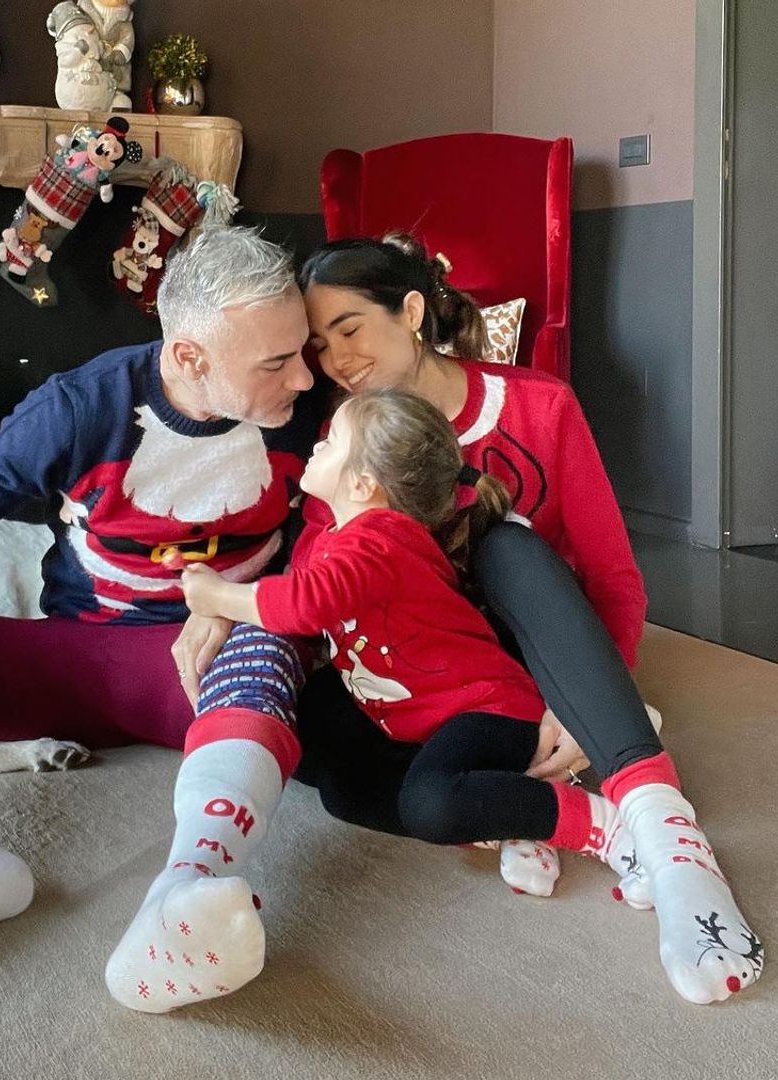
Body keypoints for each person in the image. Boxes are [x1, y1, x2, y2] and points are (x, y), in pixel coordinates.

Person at [0, 227, 324, 1015]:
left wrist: (244, 603)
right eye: (276, 362)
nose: (306, 376)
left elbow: (345, 540)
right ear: (189, 357)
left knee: (279, 630)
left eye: (302, 349)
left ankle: (187, 886)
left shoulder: (311, 413)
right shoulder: (81, 407)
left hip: (211, 675)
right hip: (69, 658)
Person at [274, 234, 761, 1005]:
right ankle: (513, 805)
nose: (335, 359)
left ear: (409, 311)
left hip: (532, 659)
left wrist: (591, 702)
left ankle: (665, 831)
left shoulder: (537, 405)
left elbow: (612, 578)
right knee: (317, 753)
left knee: (504, 543)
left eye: (348, 328)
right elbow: (314, 578)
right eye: (316, 343)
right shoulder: (346, 438)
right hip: (425, 684)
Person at [182, 388, 647, 896]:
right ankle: (501, 813)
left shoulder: (378, 538)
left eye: (332, 440)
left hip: (490, 712)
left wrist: (215, 595)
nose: (318, 446)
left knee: (429, 804)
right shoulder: (345, 537)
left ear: (362, 484)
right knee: (337, 782)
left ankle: (599, 824)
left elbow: (303, 605)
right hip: (412, 718)